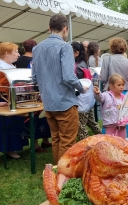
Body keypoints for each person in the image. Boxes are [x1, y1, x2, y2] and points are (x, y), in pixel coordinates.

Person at [32, 15, 87, 164]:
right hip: (65, 102)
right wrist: (82, 88)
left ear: (49, 28)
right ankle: (64, 174)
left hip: (48, 103)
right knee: (67, 141)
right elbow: (69, 77)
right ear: (65, 29)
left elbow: (35, 78)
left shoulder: (37, 48)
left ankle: (57, 170)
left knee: (56, 138)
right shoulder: (65, 46)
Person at [15, 39, 52, 152]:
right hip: (35, 92)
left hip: (21, 93)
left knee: (37, 118)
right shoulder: (34, 60)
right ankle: (37, 144)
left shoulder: (18, 59)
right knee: (39, 118)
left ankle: (42, 142)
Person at [0, 42, 29, 159]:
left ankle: (14, 147)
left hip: (13, 99)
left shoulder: (12, 66)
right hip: (3, 100)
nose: (18, 54)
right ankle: (9, 149)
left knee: (16, 124)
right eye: (15, 52)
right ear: (7, 53)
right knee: (7, 125)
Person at [71, 42, 101, 141]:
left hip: (81, 99)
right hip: (89, 98)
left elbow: (77, 85)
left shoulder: (77, 66)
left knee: (80, 125)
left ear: (76, 52)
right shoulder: (84, 62)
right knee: (91, 122)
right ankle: (103, 137)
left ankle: (86, 144)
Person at [94, 74, 128, 138]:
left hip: (121, 125)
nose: (121, 87)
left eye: (123, 85)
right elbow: (100, 98)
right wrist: (98, 93)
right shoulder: (106, 95)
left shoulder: (124, 97)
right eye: (119, 85)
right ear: (111, 86)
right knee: (110, 141)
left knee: (122, 141)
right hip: (110, 124)